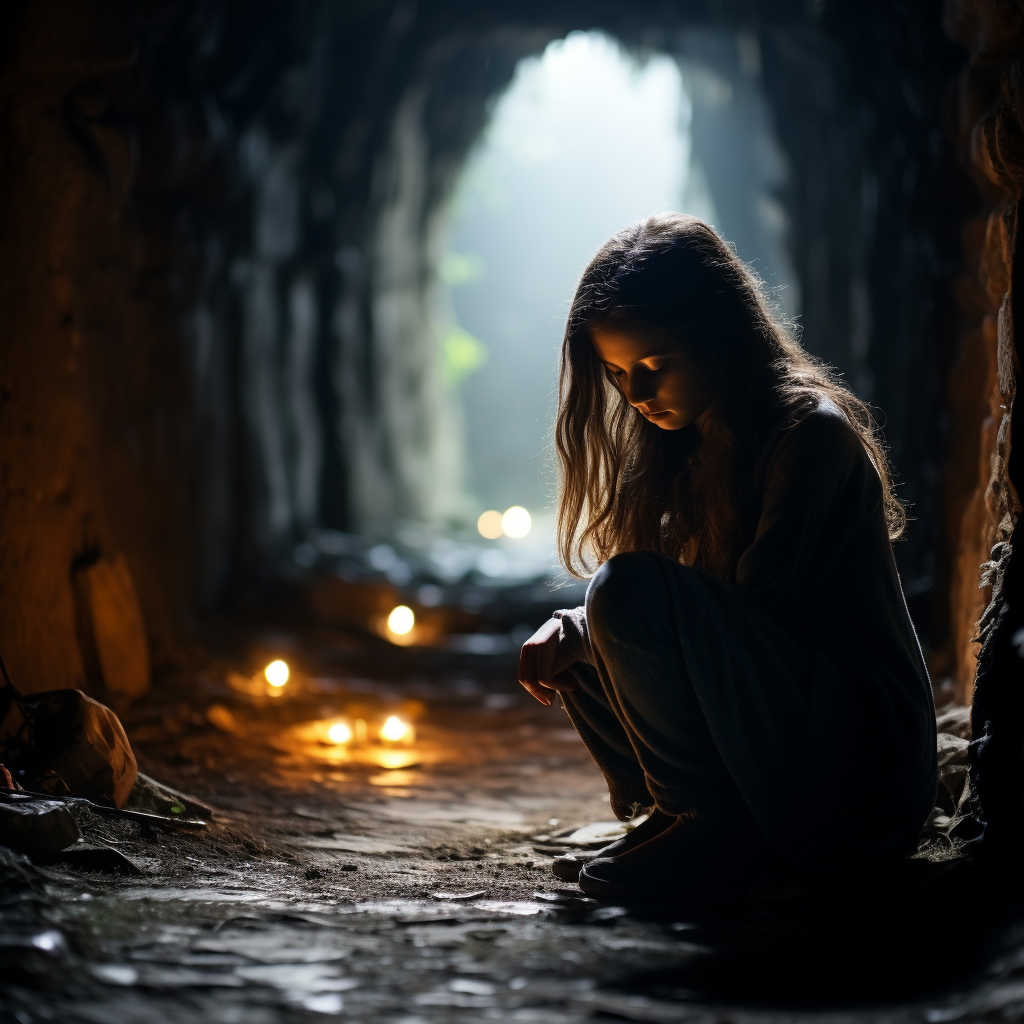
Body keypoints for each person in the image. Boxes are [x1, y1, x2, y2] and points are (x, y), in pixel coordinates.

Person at [517, 214, 938, 902]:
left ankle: (718, 828)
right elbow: (693, 631)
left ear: (720, 336)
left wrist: (598, 621)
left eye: (654, 367)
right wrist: (582, 631)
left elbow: (751, 623)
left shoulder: (811, 438)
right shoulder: (682, 445)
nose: (637, 396)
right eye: (620, 375)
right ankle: (682, 814)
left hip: (861, 767)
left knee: (620, 594)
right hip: (781, 735)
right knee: (593, 619)